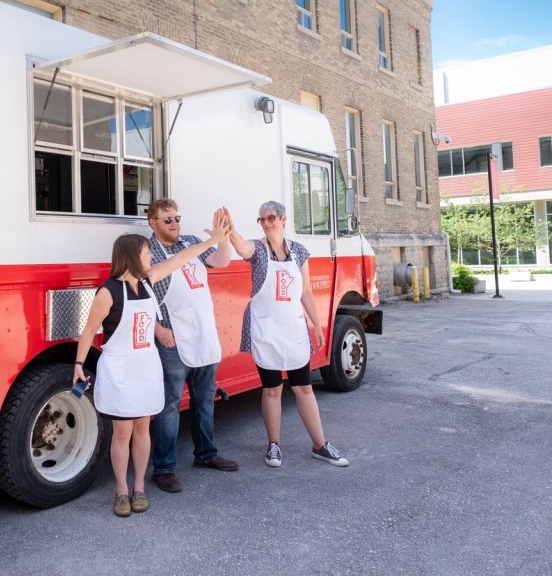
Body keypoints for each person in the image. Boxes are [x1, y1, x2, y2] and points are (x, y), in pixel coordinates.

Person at [73, 213, 229, 517]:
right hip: (119, 369)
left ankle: (140, 487)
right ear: (132, 257)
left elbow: (184, 256)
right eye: (146, 253)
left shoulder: (148, 280)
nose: (150, 257)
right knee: (122, 433)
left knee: (143, 429)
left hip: (146, 367)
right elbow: (89, 330)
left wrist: (214, 241)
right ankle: (121, 489)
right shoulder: (108, 291)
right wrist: (79, 363)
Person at [227, 201, 349, 469]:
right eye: (262, 219)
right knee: (272, 390)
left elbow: (305, 291)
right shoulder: (257, 250)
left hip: (293, 329)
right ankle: (273, 446)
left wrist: (317, 325)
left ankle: (321, 445)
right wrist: (231, 231)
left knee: (304, 387)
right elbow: (242, 247)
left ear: (283, 219)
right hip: (266, 331)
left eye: (271, 218)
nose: (267, 223)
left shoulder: (299, 252)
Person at [146, 200, 240, 495]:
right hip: (172, 338)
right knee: (169, 405)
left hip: (202, 332)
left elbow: (221, 261)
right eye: (167, 220)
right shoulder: (147, 251)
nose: (174, 224)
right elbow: (139, 294)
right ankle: (164, 468)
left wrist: (222, 239)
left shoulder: (191, 241)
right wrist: (157, 329)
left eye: (176, 218)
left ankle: (206, 454)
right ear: (153, 223)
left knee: (204, 398)